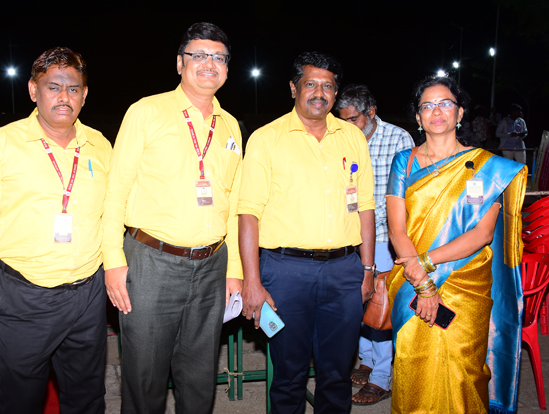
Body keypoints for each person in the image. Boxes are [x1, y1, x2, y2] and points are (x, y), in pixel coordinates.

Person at [0, 47, 112, 414]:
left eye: (73, 88)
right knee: (21, 401)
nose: (64, 96)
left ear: (85, 94)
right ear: (33, 90)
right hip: (25, 297)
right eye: (53, 87)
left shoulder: (100, 146)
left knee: (88, 399)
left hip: (88, 294)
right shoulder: (0, 145)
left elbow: (113, 215)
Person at [102, 22, 243, 414]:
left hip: (212, 265)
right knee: (144, 378)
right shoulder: (146, 111)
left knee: (198, 380)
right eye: (199, 55)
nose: (209, 64)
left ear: (227, 68)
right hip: (152, 263)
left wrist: (234, 270)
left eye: (218, 57)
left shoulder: (230, 125)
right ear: (180, 63)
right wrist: (113, 261)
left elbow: (233, 203)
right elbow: (116, 189)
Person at [239, 52, 376, 414]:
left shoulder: (352, 137)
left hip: (344, 272)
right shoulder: (266, 139)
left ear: (336, 92)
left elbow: (365, 207)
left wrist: (367, 269)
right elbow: (248, 213)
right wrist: (252, 281)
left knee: (337, 373)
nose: (319, 92)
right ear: (293, 88)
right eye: (310, 84)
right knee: (288, 374)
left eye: (327, 86)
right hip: (285, 273)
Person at [386, 76, 527, 413]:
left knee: (464, 369)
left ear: (460, 113)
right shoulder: (404, 162)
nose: (436, 111)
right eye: (427, 106)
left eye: (445, 103)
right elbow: (396, 229)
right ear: (418, 117)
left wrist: (425, 264)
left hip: (467, 284)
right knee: (413, 363)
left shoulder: (486, 167)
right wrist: (423, 283)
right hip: (412, 282)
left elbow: (482, 234)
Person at [335, 84, 414, 405]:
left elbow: (406, 195)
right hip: (347, 237)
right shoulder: (340, 137)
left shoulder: (398, 139)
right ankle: (367, 360)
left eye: (353, 119)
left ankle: (382, 377)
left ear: (371, 112)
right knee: (357, 301)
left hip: (383, 236)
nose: (347, 125)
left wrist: (372, 228)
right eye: (342, 119)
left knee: (380, 304)